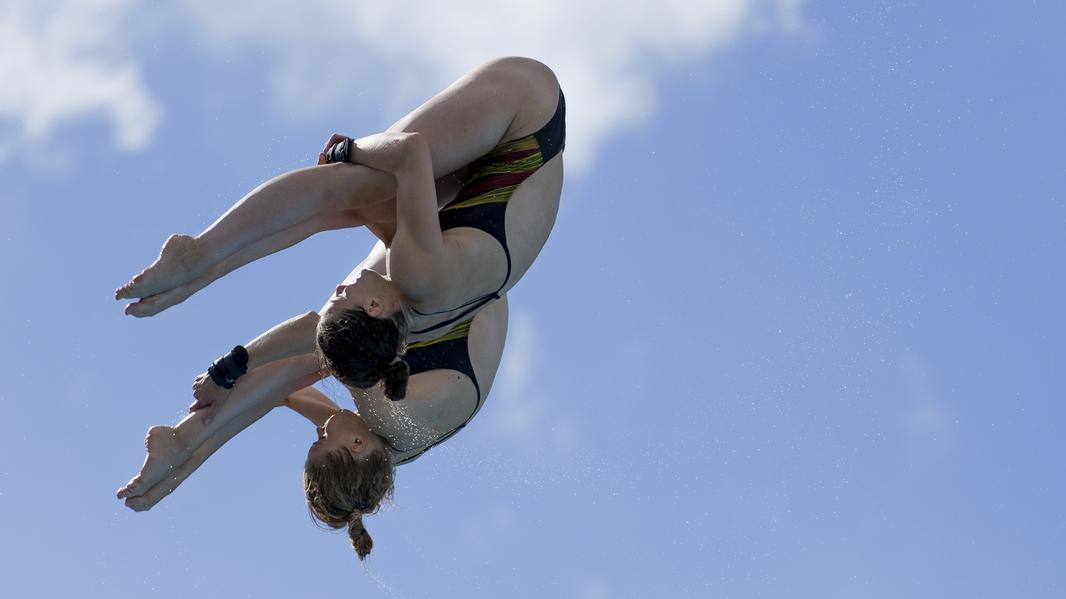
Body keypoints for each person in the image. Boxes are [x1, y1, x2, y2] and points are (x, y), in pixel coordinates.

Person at [116, 56, 565, 559]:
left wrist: (189, 454)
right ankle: (199, 255)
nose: (323, 425)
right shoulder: (394, 389)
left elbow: (286, 392)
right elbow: (314, 340)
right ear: (356, 448)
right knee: (354, 185)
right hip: (523, 123)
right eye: (322, 439)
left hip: (461, 236)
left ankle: (179, 448)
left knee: (353, 223)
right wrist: (228, 368)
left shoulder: (392, 436)